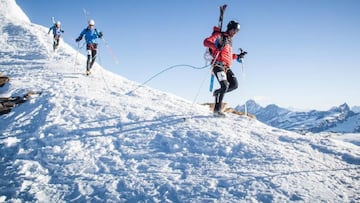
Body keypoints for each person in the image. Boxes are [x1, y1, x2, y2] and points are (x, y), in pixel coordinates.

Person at [204, 20, 244, 117]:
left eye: (237, 31)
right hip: (217, 65)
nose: (235, 33)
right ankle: (217, 111)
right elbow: (206, 42)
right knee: (225, 85)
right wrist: (216, 46)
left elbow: (227, 55)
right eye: (234, 30)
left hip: (226, 66)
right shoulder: (219, 35)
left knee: (234, 85)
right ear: (230, 28)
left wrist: (237, 56)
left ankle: (218, 92)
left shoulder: (230, 40)